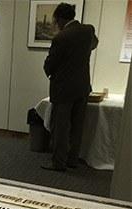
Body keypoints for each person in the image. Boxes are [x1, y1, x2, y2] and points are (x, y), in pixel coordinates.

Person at [41, 3, 98, 171]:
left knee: (60, 126)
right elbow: (93, 45)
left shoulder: (62, 37)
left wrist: (48, 70)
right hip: (82, 86)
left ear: (59, 19)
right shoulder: (88, 30)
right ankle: (72, 159)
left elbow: (51, 63)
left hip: (63, 89)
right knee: (77, 125)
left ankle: (58, 162)